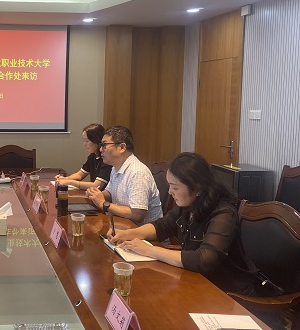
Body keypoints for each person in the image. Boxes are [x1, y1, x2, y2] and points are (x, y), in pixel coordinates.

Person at [107, 152, 257, 294]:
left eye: (175, 187)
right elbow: (162, 226)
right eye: (169, 186)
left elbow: (204, 259)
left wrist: (149, 250)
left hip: (226, 290)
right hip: (196, 280)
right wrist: (128, 233)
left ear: (197, 188)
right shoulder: (188, 204)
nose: (170, 192)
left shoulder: (224, 213)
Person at [86, 125, 162, 226]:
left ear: (122, 147)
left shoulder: (137, 172)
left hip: (141, 232)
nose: (100, 149)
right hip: (122, 225)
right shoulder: (116, 167)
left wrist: (104, 204)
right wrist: (95, 194)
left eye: (104, 145)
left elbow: (137, 214)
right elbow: (110, 193)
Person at [54, 123, 112, 191]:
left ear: (97, 140)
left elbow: (96, 186)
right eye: (84, 140)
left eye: (87, 141)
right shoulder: (93, 156)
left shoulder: (107, 159)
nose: (85, 144)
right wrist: (65, 179)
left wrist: (70, 182)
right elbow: (80, 175)